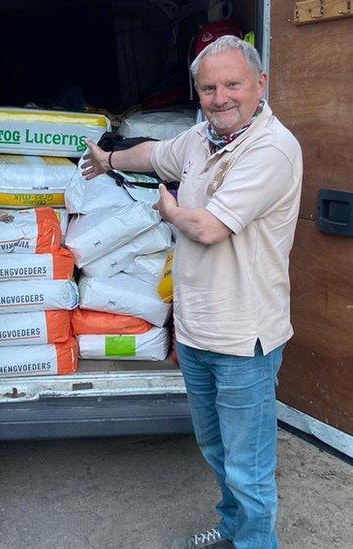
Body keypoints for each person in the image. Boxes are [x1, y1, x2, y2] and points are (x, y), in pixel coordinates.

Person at [82, 35, 302, 549]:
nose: (220, 97)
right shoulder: (202, 139)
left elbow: (205, 228)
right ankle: (231, 532)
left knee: (248, 468)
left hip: (245, 338)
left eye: (232, 85)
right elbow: (155, 153)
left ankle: (254, 543)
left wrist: (170, 212)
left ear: (260, 85)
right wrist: (109, 160)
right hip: (199, 332)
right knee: (216, 450)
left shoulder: (272, 149)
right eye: (208, 88)